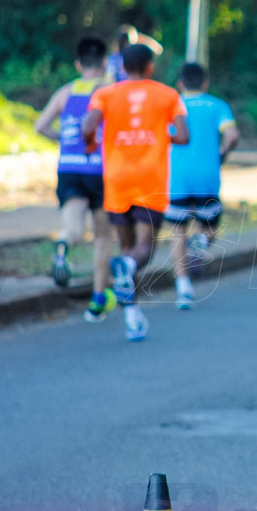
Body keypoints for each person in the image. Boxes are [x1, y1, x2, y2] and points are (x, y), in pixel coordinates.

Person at [82, 44, 189, 342]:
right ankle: (127, 269)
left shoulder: (105, 93)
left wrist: (91, 142)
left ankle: (132, 317)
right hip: (149, 180)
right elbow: (182, 135)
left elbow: (87, 125)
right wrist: (157, 134)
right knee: (143, 251)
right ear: (150, 67)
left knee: (126, 246)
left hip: (116, 180)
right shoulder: (168, 95)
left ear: (123, 65)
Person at [33, 37, 116, 321]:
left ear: (78, 64)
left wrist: (64, 140)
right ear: (104, 63)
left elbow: (40, 126)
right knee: (103, 236)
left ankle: (64, 245)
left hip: (69, 166)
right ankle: (97, 299)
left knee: (73, 228)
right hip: (99, 169)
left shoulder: (65, 92)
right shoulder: (108, 90)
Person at [165, 62, 240, 309]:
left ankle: (183, 289)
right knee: (209, 228)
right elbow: (232, 136)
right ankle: (201, 244)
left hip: (177, 178)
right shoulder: (217, 105)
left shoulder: (170, 106)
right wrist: (222, 154)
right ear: (205, 83)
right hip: (208, 177)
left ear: (180, 83)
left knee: (178, 232)